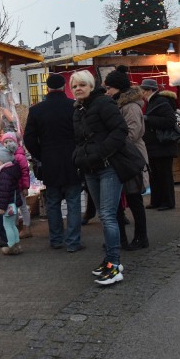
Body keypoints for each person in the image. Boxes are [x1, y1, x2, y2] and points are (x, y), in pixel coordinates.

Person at [70, 70, 127, 286]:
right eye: (75, 86)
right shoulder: (78, 109)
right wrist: (79, 157)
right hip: (90, 168)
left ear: (91, 86)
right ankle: (111, 260)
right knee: (105, 216)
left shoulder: (104, 104)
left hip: (108, 167)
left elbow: (120, 130)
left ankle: (113, 265)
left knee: (107, 215)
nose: (78, 88)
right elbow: (79, 139)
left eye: (82, 84)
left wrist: (102, 153)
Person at [24, 73, 84, 253]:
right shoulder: (74, 106)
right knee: (74, 201)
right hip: (73, 159)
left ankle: (56, 239)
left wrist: (40, 155)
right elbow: (83, 133)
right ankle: (73, 242)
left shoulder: (36, 110)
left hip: (50, 160)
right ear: (64, 87)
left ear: (47, 88)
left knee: (53, 202)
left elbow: (29, 138)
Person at [104, 67, 150, 250]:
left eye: (110, 88)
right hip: (123, 156)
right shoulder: (121, 105)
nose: (107, 92)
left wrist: (111, 141)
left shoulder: (130, 107)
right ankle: (121, 238)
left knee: (134, 199)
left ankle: (141, 237)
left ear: (119, 88)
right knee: (120, 200)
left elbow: (131, 134)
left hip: (130, 157)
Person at [141, 78, 178, 211]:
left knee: (164, 175)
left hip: (163, 145)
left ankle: (168, 202)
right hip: (155, 145)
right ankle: (156, 201)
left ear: (150, 90)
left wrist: (149, 119)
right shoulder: (153, 102)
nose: (142, 94)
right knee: (155, 175)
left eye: (144, 91)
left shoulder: (160, 101)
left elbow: (170, 120)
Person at [0, 146, 23, 255]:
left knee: (7, 225)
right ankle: (17, 244)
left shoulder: (4, 174)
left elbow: (4, 192)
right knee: (12, 225)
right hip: (13, 202)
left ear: (3, 160)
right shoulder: (9, 171)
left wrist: (1, 207)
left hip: (8, 204)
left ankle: (11, 246)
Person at [1, 132, 32, 238]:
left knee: (23, 207)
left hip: (19, 187)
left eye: (10, 141)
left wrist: (25, 187)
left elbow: (25, 172)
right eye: (5, 142)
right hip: (11, 188)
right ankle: (14, 227)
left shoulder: (19, 156)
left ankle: (26, 227)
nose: (8, 144)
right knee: (13, 208)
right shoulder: (6, 156)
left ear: (15, 142)